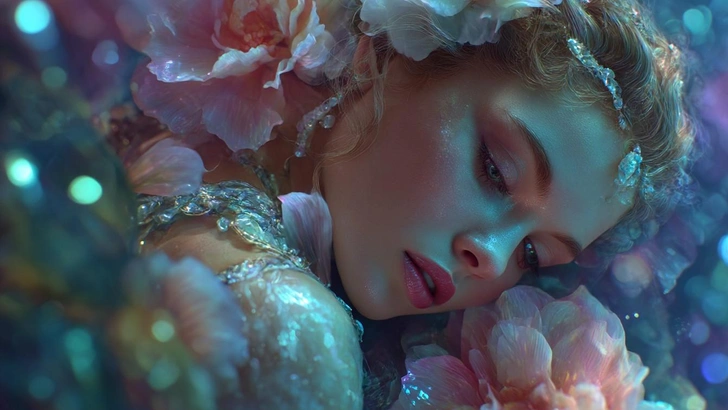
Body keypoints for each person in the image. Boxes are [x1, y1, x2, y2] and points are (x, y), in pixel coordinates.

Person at [118, 0, 697, 407]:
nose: (491, 259)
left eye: (532, 254)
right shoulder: (291, 326)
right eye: (496, 171)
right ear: (386, 56)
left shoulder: (175, 154)